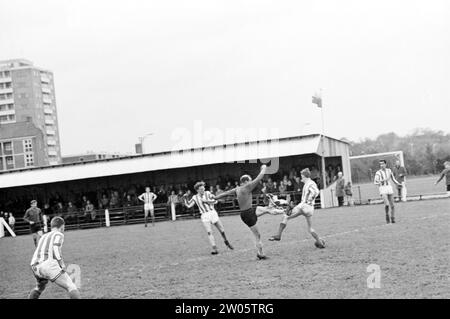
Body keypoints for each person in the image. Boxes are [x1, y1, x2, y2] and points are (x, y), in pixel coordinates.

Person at [213, 165, 285, 260]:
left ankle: (283, 211)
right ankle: (260, 254)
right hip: (248, 214)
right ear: (246, 181)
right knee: (257, 235)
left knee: (267, 209)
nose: (251, 182)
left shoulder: (237, 189)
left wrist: (215, 197)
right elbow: (259, 177)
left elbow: (225, 193)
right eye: (250, 180)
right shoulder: (247, 186)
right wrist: (263, 168)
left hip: (247, 212)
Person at [268, 168, 325, 249]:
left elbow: (316, 192)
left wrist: (308, 200)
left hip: (304, 206)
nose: (301, 177)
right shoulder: (308, 183)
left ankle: (278, 235)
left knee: (286, 215)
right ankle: (320, 243)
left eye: (301, 176)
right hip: (309, 209)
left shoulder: (310, 183)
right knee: (310, 228)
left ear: (305, 176)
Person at [28, 216, 81, 299]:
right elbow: (55, 248)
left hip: (35, 266)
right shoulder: (59, 234)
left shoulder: (43, 236)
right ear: (62, 226)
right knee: (71, 286)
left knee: (39, 288)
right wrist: (62, 264)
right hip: (48, 265)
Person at [184, 181, 234, 255]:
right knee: (209, 232)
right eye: (201, 189)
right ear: (197, 190)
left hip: (212, 213)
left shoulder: (208, 193)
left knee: (222, 230)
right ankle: (215, 248)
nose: (203, 190)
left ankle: (226, 241)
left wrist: (207, 201)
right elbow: (188, 205)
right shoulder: (195, 197)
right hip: (204, 215)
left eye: (203, 188)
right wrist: (185, 198)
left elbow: (215, 201)